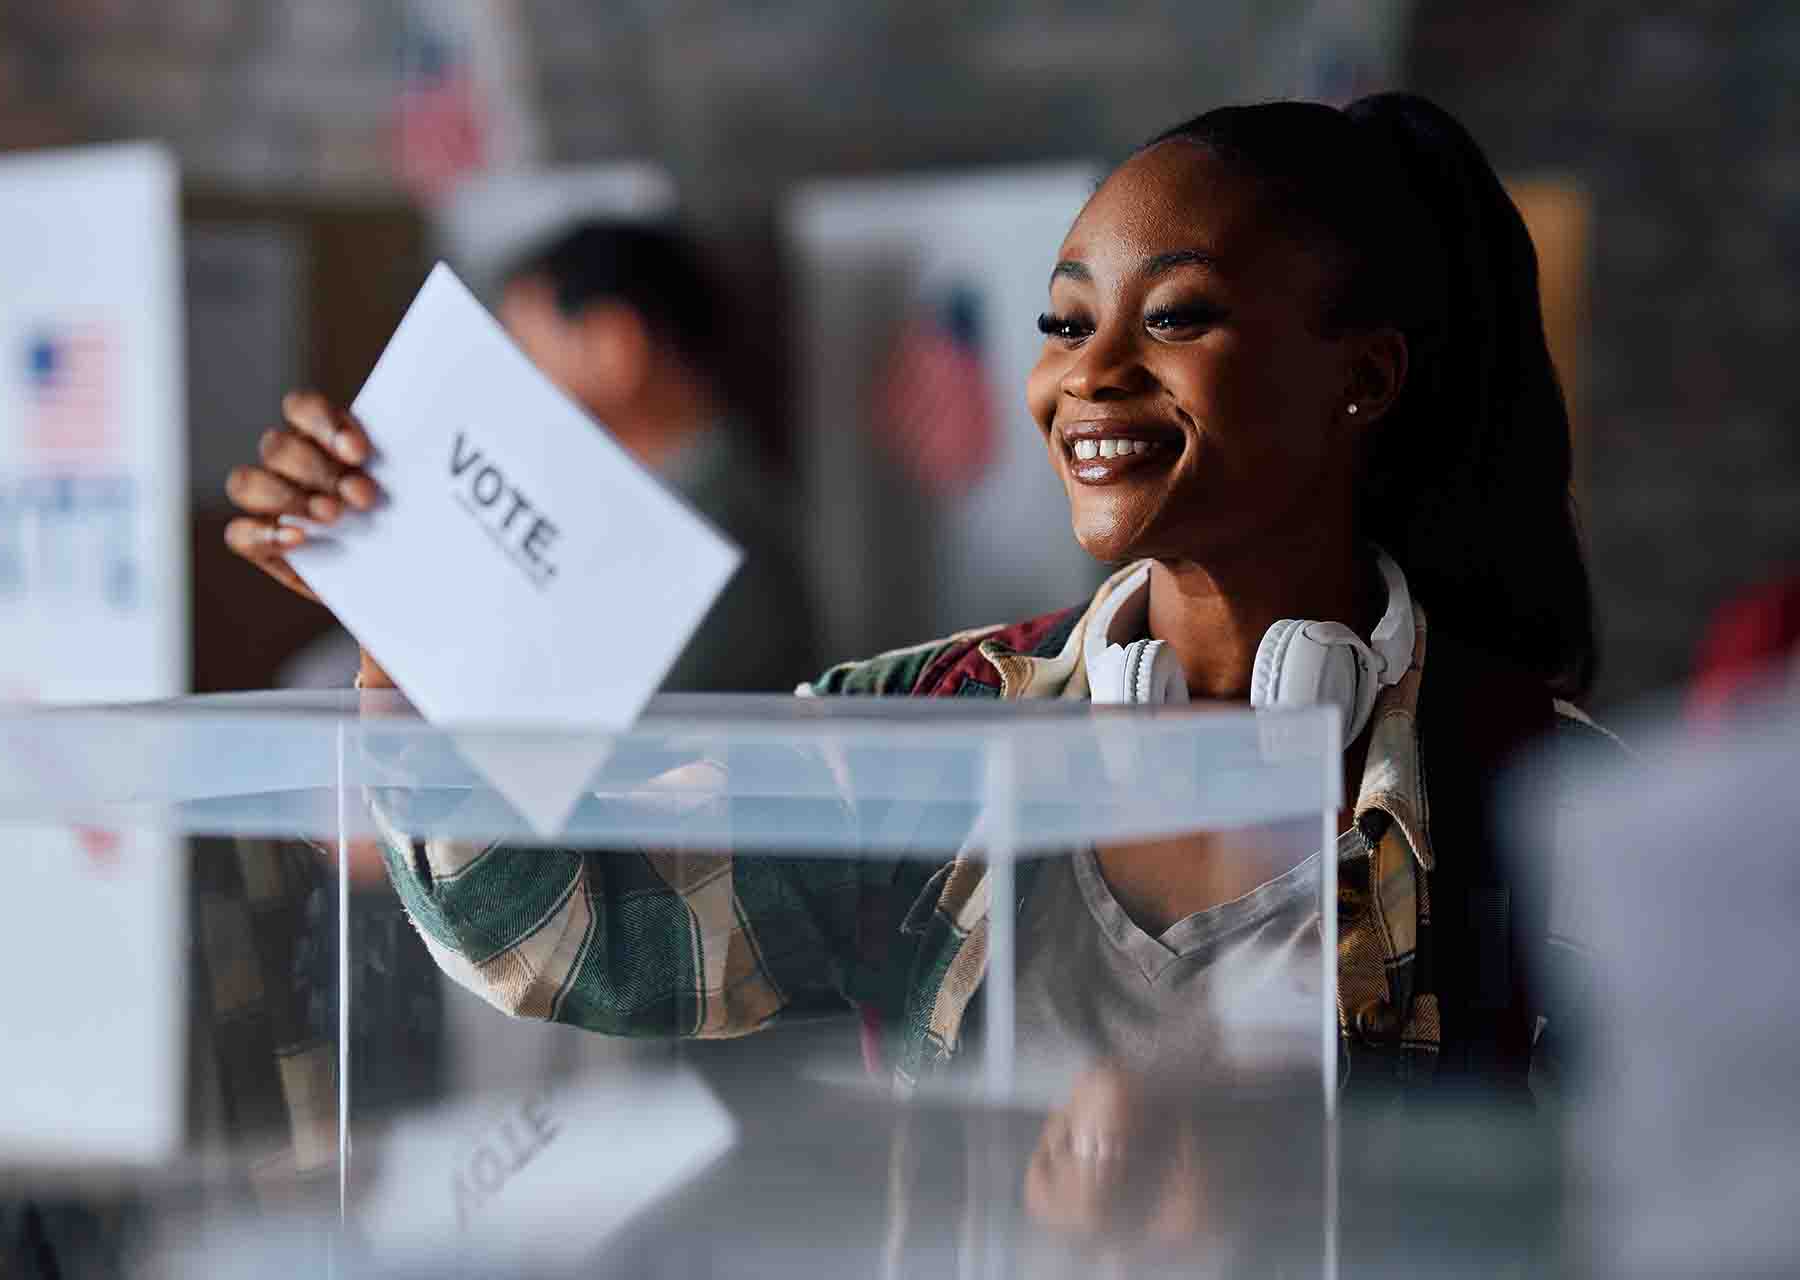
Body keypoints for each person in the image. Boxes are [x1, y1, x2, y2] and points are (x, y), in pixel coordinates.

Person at [225, 95, 1617, 1107]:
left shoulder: (1549, 797)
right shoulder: (932, 734)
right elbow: (565, 938)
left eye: (1177, 315)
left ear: (1362, 378)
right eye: (1068, 322)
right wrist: (406, 636)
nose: (1090, 375)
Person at [263, 218, 814, 695]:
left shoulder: (701, 544)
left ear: (617, 348)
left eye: (522, 354)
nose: (501, 393)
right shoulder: (660, 510)